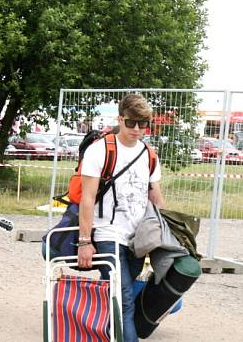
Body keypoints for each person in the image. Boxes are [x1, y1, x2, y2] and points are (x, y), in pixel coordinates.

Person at [77, 94, 165, 342]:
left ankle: (110, 333)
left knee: (125, 297)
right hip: (108, 234)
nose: (137, 129)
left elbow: (156, 197)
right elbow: (87, 198)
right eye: (131, 123)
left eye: (143, 124)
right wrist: (85, 241)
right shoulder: (100, 150)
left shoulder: (149, 154)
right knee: (122, 295)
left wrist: (165, 234)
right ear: (120, 119)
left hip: (138, 239)